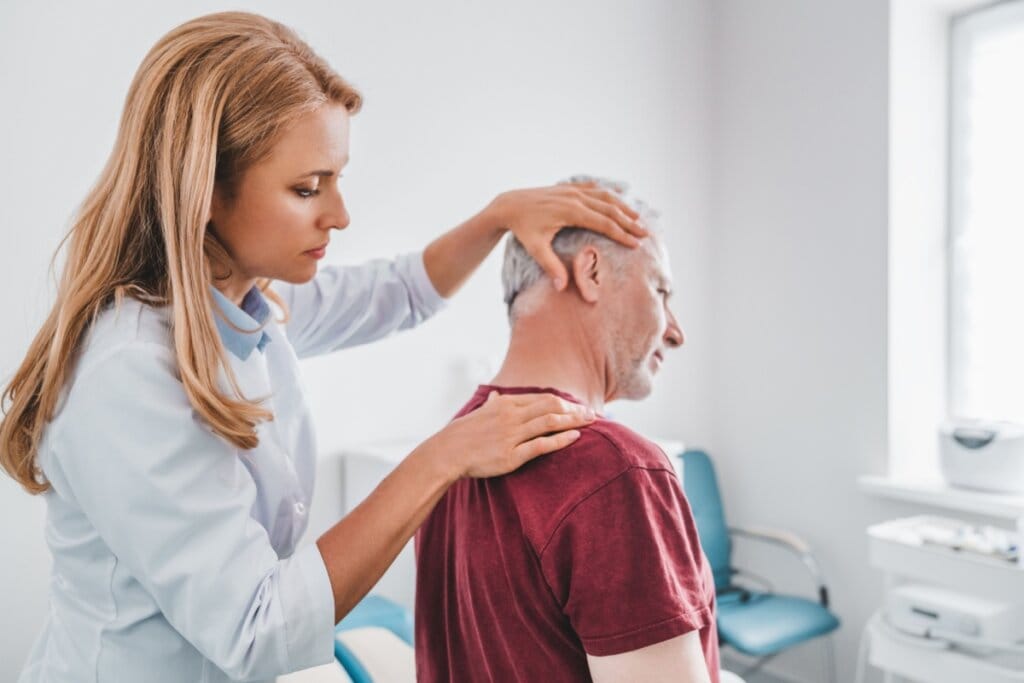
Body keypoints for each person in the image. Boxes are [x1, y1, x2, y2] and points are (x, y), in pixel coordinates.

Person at [0, 13, 648, 683]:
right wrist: (443, 456)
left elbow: (396, 293)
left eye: (337, 179)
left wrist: (496, 217)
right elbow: (259, 628)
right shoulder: (129, 370)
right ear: (207, 192)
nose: (339, 214)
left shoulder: (250, 304)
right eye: (308, 188)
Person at [415, 178, 720, 683]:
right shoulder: (617, 473)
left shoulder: (453, 445)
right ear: (592, 271)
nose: (675, 330)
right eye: (660, 290)